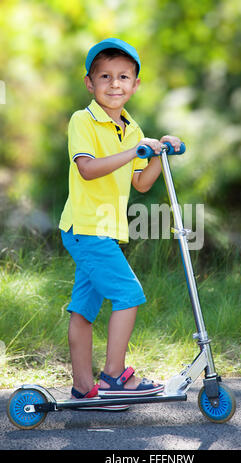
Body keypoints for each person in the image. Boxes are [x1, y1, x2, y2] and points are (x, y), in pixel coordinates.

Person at [59, 38, 181, 409]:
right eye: (105, 76)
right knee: (128, 294)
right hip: (86, 228)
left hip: (104, 232)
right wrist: (134, 151)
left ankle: (84, 389)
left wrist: (160, 152)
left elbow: (141, 183)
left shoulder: (132, 128)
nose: (115, 84)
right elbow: (87, 168)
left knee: (83, 312)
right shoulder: (83, 120)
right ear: (89, 83)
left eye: (124, 77)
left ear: (135, 84)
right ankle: (114, 376)